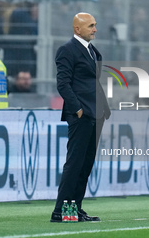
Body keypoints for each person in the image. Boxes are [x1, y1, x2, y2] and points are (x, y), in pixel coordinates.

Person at [50, 12, 111, 222]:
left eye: (95, 25)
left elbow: (93, 82)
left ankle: (74, 209)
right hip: (82, 115)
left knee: (85, 164)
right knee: (75, 163)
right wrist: (78, 109)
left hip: (96, 114)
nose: (95, 29)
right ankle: (61, 211)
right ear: (77, 29)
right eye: (91, 26)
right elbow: (63, 84)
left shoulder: (92, 51)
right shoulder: (67, 50)